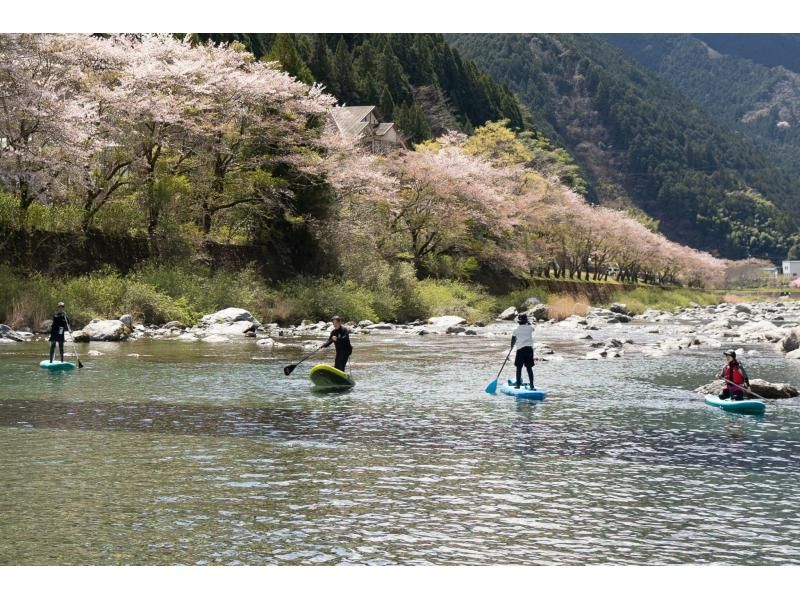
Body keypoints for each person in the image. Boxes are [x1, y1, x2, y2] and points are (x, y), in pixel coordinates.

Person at [510, 313, 535, 389]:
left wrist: (511, 347)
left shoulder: (515, 330)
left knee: (519, 368)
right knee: (529, 368)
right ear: (526, 320)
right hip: (529, 350)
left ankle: (517, 385)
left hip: (520, 350)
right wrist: (528, 323)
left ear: (518, 321)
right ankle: (531, 385)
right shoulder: (530, 327)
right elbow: (533, 329)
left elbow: (513, 340)